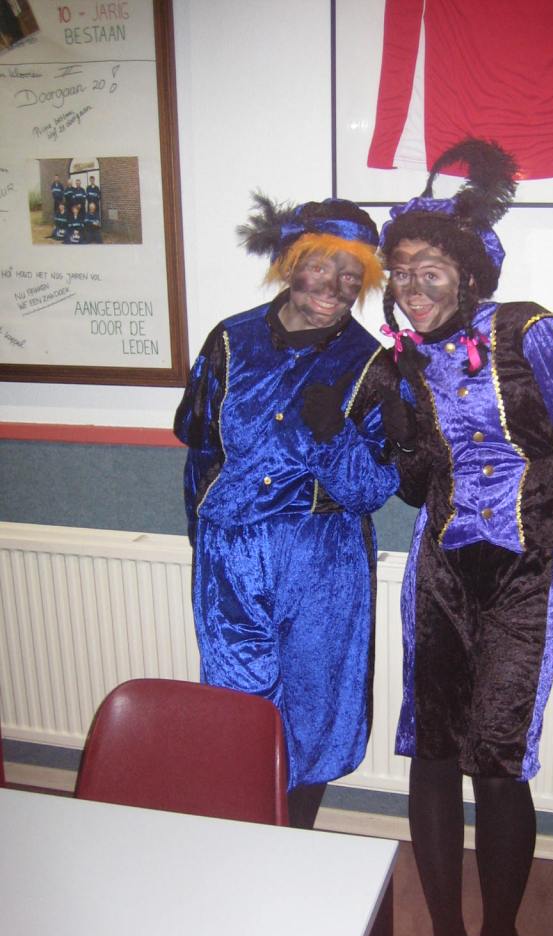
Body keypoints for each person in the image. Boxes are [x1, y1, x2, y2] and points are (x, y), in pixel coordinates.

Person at [379, 139, 553, 936]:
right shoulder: (405, 356)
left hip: (527, 562)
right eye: (401, 273)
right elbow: (414, 486)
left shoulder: (529, 330)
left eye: (428, 270)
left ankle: (500, 935)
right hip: (441, 563)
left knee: (499, 757)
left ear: (468, 273)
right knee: (434, 749)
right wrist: (397, 429)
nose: (412, 287)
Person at [173, 194, 412, 830]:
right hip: (230, 553)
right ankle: (247, 833)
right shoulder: (231, 340)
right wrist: (203, 537)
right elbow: (201, 451)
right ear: (290, 263)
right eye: (320, 266)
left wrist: (334, 437)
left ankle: (294, 838)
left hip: (322, 557)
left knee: (313, 705)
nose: (333, 287)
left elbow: (372, 490)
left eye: (351, 275)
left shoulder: (371, 364)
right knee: (238, 700)